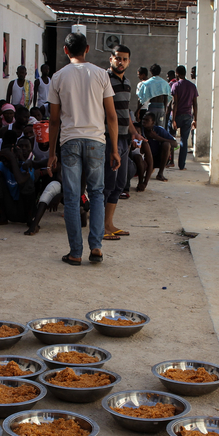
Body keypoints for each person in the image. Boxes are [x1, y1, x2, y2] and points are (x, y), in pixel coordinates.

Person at [47, 32, 119, 265]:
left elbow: (54, 120)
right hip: (96, 142)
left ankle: (75, 252)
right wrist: (115, 149)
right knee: (97, 194)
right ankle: (96, 247)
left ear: (66, 51)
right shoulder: (101, 74)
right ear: (87, 49)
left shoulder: (58, 77)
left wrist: (51, 153)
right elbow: (111, 116)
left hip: (69, 142)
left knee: (71, 197)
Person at [103, 44, 138, 240]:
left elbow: (125, 113)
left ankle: (109, 224)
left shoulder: (128, 83)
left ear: (129, 62)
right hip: (110, 139)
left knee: (120, 183)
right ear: (111, 59)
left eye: (125, 59)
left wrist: (134, 132)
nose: (121, 62)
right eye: (118, 58)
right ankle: (101, 228)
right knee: (108, 183)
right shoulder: (105, 80)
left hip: (125, 138)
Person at [169, 64, 198, 170]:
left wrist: (173, 120)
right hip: (188, 116)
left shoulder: (175, 85)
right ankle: (182, 165)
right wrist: (195, 119)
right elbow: (195, 104)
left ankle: (169, 161)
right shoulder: (192, 86)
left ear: (177, 74)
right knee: (184, 141)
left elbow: (174, 103)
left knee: (170, 138)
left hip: (177, 116)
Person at [140, 111, 175, 183]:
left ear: (152, 122)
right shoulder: (139, 130)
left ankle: (160, 173)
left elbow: (175, 144)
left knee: (167, 144)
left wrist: (157, 137)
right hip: (144, 158)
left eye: (147, 120)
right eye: (143, 119)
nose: (144, 121)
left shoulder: (159, 130)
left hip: (158, 158)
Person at [141, 63, 172, 129]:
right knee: (161, 128)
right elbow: (166, 97)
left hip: (152, 107)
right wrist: (165, 109)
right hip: (161, 108)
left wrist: (138, 110)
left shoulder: (147, 83)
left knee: (150, 127)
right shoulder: (165, 83)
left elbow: (143, 98)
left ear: (151, 72)